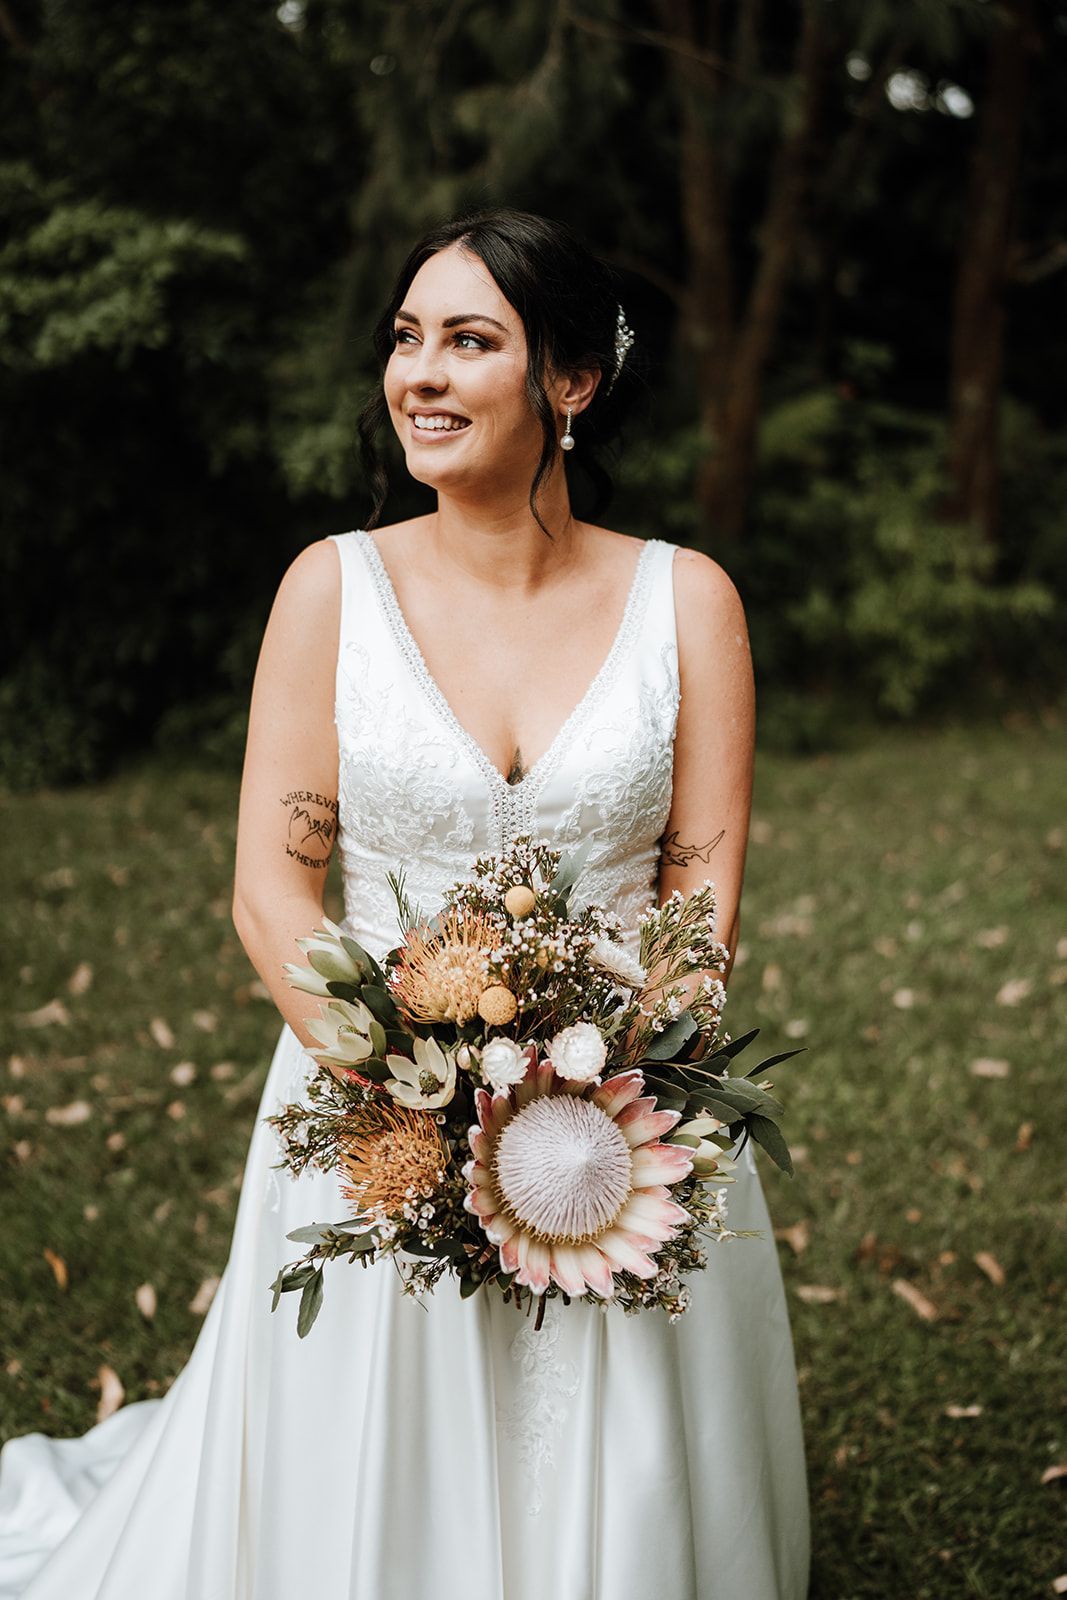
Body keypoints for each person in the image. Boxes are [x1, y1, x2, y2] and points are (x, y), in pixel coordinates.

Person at [0, 206, 810, 1598]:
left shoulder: (691, 605)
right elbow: (272, 888)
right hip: (364, 1106)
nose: (419, 374)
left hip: (621, 1117)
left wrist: (596, 1110)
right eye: (406, 338)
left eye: (469, 341)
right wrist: (410, 1099)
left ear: (570, 381)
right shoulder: (332, 589)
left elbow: (699, 901)